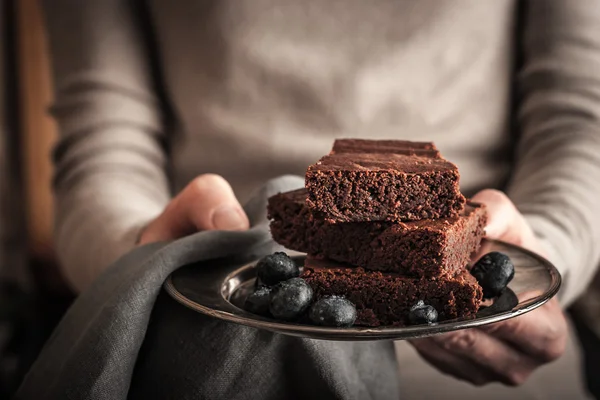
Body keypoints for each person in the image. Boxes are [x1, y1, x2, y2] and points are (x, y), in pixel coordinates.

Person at [41, 0, 600, 398]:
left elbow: (581, 116)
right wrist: (139, 249)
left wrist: (542, 255)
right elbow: (102, 135)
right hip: (213, 311)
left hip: (493, 361)